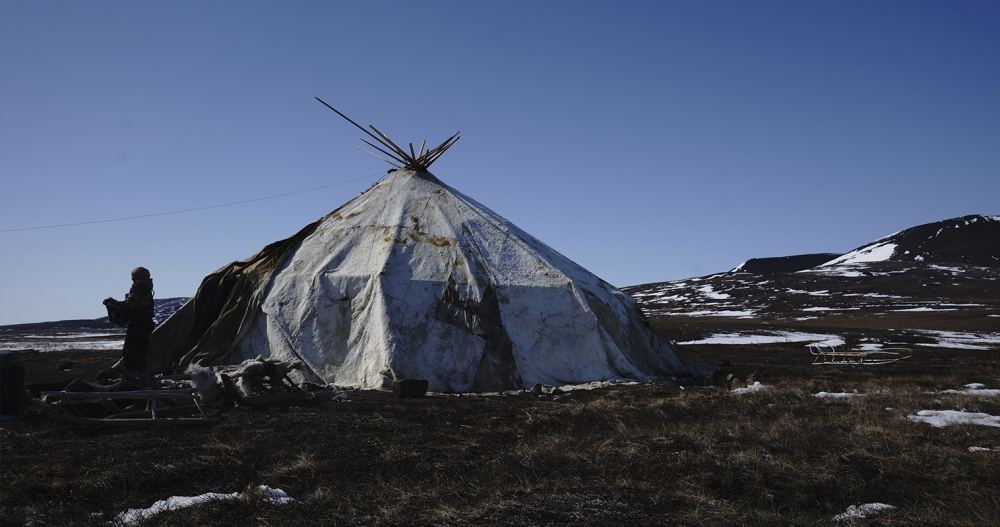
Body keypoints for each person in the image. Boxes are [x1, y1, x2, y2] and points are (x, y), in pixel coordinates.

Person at [103, 267, 155, 373]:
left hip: (137, 325)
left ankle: (130, 375)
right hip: (145, 324)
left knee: (131, 351)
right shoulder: (146, 288)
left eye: (133, 275)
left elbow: (129, 304)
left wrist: (114, 304)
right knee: (141, 351)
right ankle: (139, 374)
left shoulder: (139, 288)